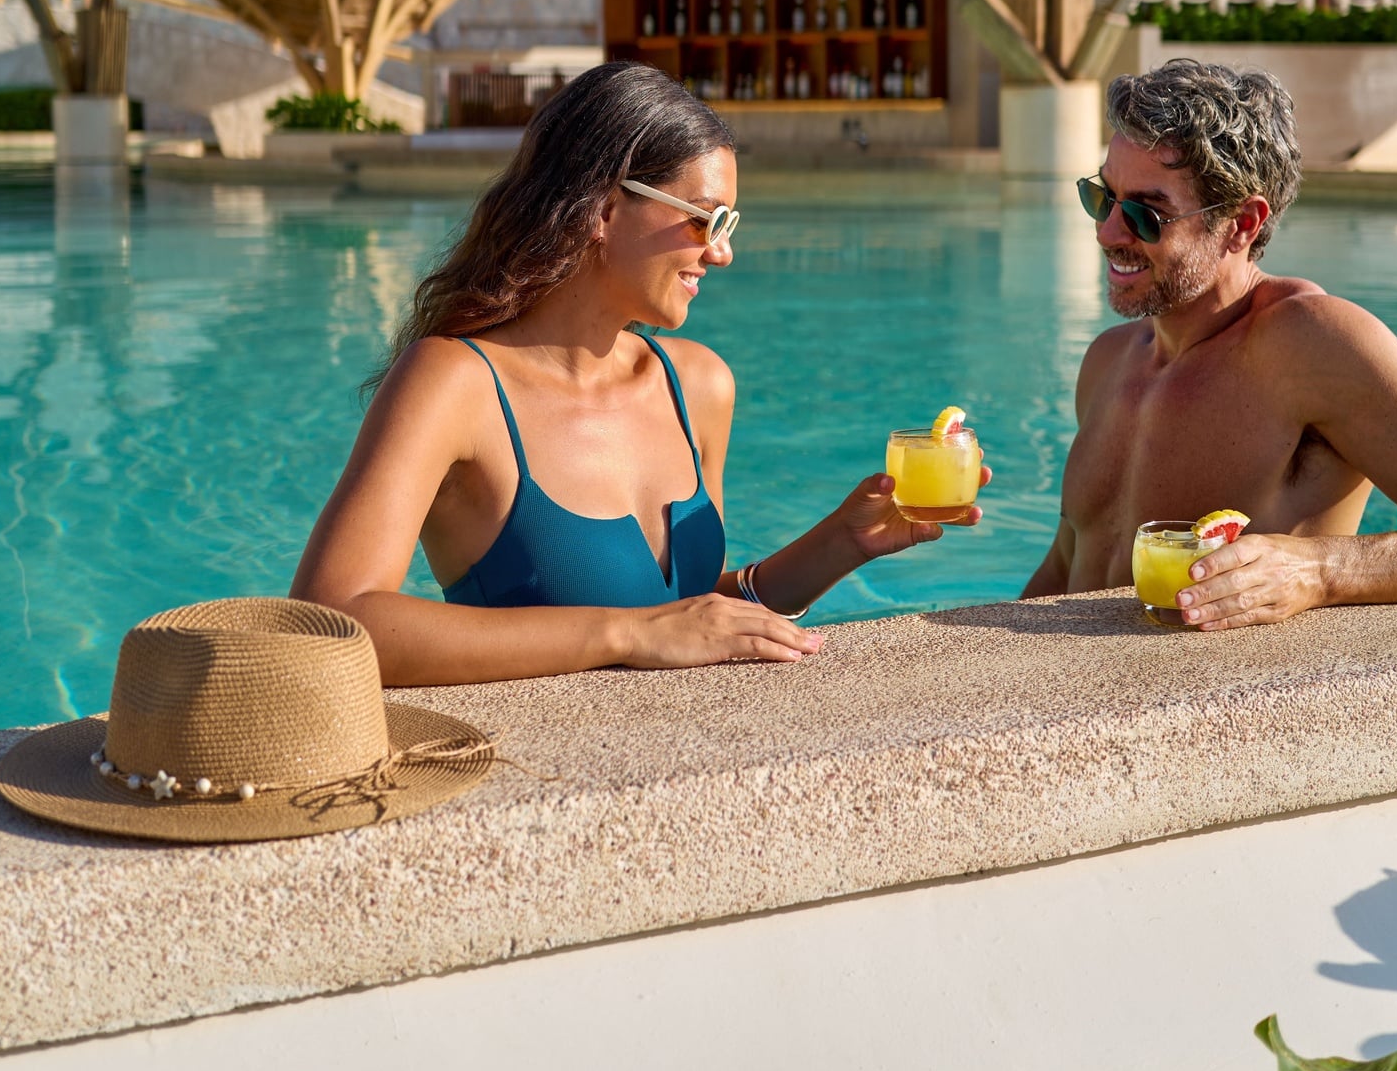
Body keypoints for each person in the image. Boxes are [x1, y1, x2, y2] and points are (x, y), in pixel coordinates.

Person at [294, 60, 981, 684]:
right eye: (704, 222)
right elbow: (330, 621)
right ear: (604, 209)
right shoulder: (455, 384)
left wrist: (842, 542)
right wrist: (622, 632)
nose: (722, 253)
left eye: (730, 223)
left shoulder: (699, 385)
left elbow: (685, 616)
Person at [1022, 60, 1397, 627]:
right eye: (1103, 198)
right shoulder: (1108, 360)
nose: (1108, 233)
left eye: (1146, 215)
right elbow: (1067, 567)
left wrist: (1316, 571)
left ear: (1242, 224)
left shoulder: (1307, 347)